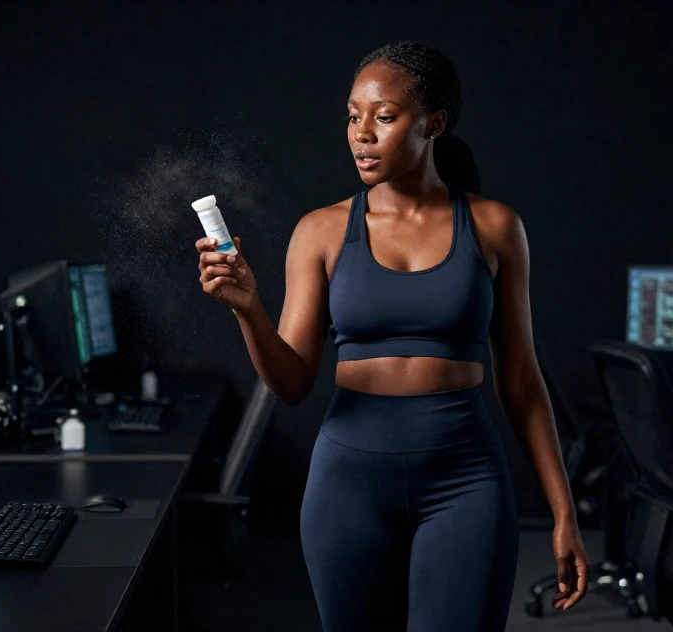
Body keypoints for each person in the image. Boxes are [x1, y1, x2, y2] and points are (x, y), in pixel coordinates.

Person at [195, 41, 587, 631]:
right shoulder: (321, 231)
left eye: (384, 116)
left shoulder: (494, 226)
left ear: (434, 123)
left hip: (465, 480)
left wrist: (564, 511)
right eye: (353, 116)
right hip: (347, 485)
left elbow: (523, 382)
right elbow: (292, 383)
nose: (362, 133)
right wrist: (248, 310)